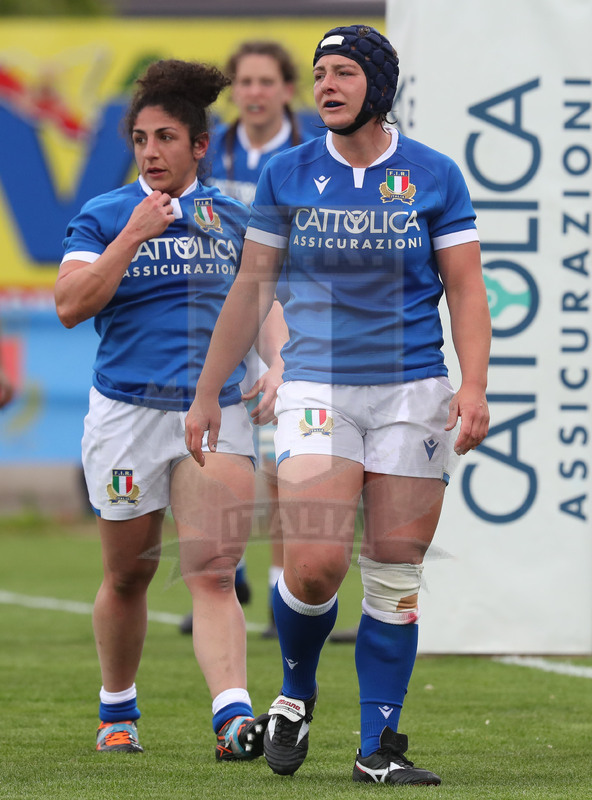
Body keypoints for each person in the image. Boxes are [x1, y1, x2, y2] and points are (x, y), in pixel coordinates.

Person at [185, 24, 491, 786]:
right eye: (320, 72)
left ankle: (378, 749)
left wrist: (474, 384)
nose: (327, 85)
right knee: (318, 564)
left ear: (378, 87)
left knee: (393, 573)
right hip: (317, 384)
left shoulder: (434, 175)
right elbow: (250, 288)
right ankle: (295, 692)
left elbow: (465, 288)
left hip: (414, 388)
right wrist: (207, 392)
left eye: (344, 72)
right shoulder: (287, 174)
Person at [54, 58, 284, 758]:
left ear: (199, 146)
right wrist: (132, 234)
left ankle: (232, 719)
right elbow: (70, 305)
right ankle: (117, 710)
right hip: (126, 415)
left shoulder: (234, 217)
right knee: (129, 574)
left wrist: (279, 363)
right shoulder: (104, 215)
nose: (150, 152)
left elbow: (263, 300)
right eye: (140, 139)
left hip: (215, 413)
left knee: (213, 571)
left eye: (165, 138)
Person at [180, 40, 317, 638]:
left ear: (287, 90)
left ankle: (283, 593)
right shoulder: (207, 153)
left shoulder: (316, 153)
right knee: (213, 445)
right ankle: (221, 575)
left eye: (266, 82)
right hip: (222, 316)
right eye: (245, 82)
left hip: (296, 315)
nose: (254, 93)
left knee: (288, 454)